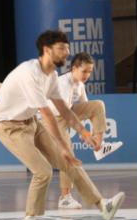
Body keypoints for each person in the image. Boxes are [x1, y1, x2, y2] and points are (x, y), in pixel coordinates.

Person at [0, 29, 126, 220]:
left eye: (67, 48)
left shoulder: (51, 75)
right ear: (46, 50)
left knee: (68, 164)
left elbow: (64, 109)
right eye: (61, 48)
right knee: (43, 170)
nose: (66, 53)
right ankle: (29, 218)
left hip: (30, 121)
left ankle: (102, 206)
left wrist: (84, 131)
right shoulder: (30, 73)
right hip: (8, 126)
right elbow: (49, 114)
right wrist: (64, 147)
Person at [51, 52, 122, 210]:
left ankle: (100, 147)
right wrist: (84, 133)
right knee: (67, 154)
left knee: (97, 105)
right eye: (84, 71)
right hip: (53, 119)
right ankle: (65, 197)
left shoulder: (80, 85)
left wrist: (94, 137)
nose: (87, 75)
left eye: (90, 71)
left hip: (68, 114)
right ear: (74, 68)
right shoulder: (62, 83)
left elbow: (87, 109)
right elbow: (63, 112)